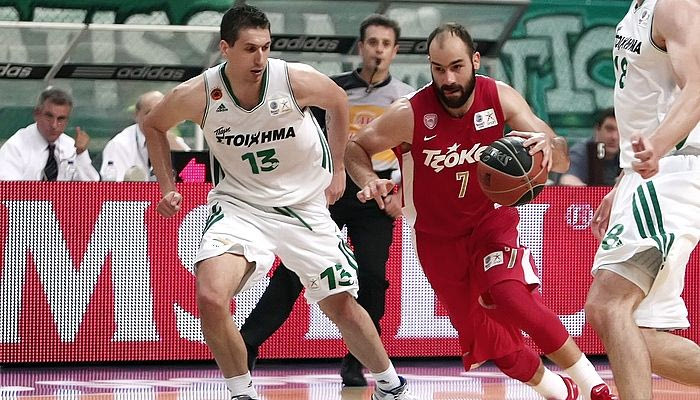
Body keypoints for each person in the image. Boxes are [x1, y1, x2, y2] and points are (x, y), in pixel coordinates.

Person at [142, 5, 415, 400]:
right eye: (250, 49)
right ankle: (242, 392)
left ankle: (390, 384)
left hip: (303, 206)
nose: (260, 58)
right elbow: (154, 124)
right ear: (225, 48)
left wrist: (339, 166)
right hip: (241, 206)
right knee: (211, 298)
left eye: (266, 47)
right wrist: (167, 185)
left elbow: (338, 100)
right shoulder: (200, 93)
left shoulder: (292, 78)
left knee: (340, 305)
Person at [345, 23, 616, 400]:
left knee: (511, 296)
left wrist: (550, 146)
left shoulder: (500, 97)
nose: (448, 79)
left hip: (491, 225)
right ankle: (560, 391)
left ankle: (594, 386)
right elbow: (355, 148)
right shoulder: (409, 112)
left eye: (457, 67)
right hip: (438, 242)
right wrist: (368, 179)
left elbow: (559, 157)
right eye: (439, 69)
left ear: (475, 61)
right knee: (501, 350)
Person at [239, 13, 414, 387]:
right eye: (372, 43)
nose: (378, 50)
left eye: (386, 44)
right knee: (294, 270)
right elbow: (297, 133)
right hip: (328, 190)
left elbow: (414, 153)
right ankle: (247, 344)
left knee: (372, 278)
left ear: (395, 51)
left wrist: (402, 194)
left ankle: (358, 360)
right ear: (360, 47)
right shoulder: (332, 89)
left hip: (376, 194)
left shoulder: (406, 98)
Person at [584, 0, 700, 398]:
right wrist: (624, 180)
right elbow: (643, 108)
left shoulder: (675, 6)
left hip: (672, 172)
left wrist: (656, 149)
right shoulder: (637, 10)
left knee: (607, 305)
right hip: (648, 174)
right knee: (631, 328)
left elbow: (698, 88)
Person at [0, 87, 99, 181]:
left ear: (67, 120)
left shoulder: (70, 146)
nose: (54, 125)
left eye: (61, 119)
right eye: (49, 116)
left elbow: (92, 189)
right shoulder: (15, 147)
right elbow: (8, 189)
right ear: (37, 114)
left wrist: (81, 154)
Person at [100, 91, 190, 181]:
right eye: (150, 113)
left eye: (160, 112)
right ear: (136, 115)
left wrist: (178, 151)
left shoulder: (174, 141)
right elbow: (115, 186)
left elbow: (194, 179)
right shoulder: (119, 145)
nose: (155, 118)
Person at [559, 108, 620, 186]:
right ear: (597, 130)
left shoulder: (628, 152)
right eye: (609, 129)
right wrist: (592, 192)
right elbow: (568, 180)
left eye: (620, 131)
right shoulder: (581, 151)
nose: (614, 137)